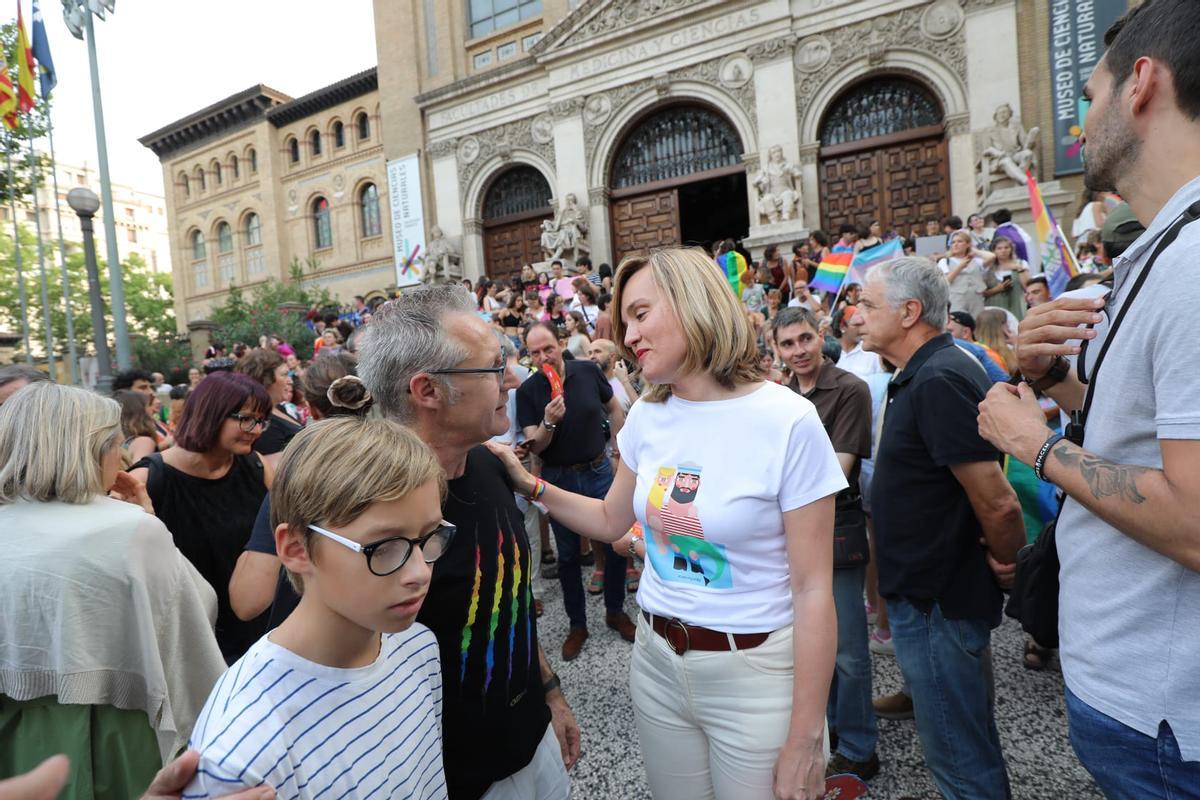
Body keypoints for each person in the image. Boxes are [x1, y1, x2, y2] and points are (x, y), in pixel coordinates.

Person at [488, 247, 844, 799]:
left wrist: (805, 737)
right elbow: (609, 519)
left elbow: (815, 588)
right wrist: (526, 482)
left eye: (641, 313)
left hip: (756, 674)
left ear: (694, 304)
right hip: (656, 662)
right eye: (624, 319)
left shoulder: (788, 420)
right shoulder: (649, 417)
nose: (629, 334)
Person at [977, 3, 1200, 794]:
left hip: (1167, 725)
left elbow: (1195, 521)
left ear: (1142, 84)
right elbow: (1142, 432)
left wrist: (1033, 444)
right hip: (1140, 702)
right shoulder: (1162, 249)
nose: (1081, 118)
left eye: (1090, 93)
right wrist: (1055, 384)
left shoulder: (1191, 265)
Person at [357, 286, 579, 800]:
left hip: (533, 743)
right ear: (427, 390)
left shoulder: (489, 465)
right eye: (493, 367)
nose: (512, 379)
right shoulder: (365, 513)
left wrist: (551, 695)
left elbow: (512, 603)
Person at [183, 417, 450, 799]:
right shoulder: (241, 754)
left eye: (429, 538)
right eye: (383, 547)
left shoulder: (417, 646)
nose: (420, 571)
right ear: (296, 549)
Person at [850, 256, 1024, 799]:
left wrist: (1007, 565)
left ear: (909, 312)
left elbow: (998, 503)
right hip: (929, 592)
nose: (856, 315)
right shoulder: (922, 372)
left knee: (957, 753)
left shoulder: (939, 378)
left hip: (938, 597)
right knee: (960, 733)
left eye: (868, 304)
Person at [0, 383, 226, 798]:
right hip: (116, 732)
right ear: (88, 449)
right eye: (116, 443)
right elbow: (194, 612)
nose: (121, 455)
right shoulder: (130, 529)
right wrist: (149, 520)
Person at [772, 306, 879, 781]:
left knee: (849, 650)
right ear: (776, 350)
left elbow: (837, 473)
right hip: (790, 536)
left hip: (835, 531)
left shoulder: (850, 389)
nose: (798, 351)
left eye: (804, 340)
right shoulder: (777, 396)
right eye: (787, 344)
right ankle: (833, 731)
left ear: (821, 338)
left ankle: (860, 747)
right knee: (810, 646)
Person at [129, 372, 273, 663]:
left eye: (260, 421)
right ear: (212, 413)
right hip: (191, 636)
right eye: (246, 418)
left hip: (257, 629)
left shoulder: (256, 467)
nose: (256, 429)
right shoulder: (149, 478)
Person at [228, 352, 372, 628]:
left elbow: (248, 601)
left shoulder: (299, 481)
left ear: (312, 409)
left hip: (319, 639)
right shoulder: (413, 464)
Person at [518, 321, 634, 659]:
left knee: (613, 546)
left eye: (548, 349)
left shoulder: (586, 371)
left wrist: (618, 450)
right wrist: (549, 422)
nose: (544, 358)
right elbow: (535, 445)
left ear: (561, 344)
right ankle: (577, 624)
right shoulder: (529, 392)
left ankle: (615, 611)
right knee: (568, 555)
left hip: (598, 470)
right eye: (535, 353)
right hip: (560, 480)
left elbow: (612, 407)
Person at [234, 348, 303, 456]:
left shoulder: (280, 408)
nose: (290, 381)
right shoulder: (262, 423)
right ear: (265, 380)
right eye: (284, 375)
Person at [939, 230, 990, 317]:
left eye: (960, 241)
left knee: (978, 323)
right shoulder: (945, 261)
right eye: (953, 242)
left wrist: (975, 251)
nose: (955, 244)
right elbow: (945, 281)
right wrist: (960, 266)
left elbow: (991, 257)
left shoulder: (975, 260)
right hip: (956, 299)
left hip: (976, 298)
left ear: (967, 244)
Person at [982, 235, 1030, 320]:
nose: (1003, 251)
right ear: (994, 251)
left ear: (1011, 249)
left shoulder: (1021, 263)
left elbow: (1027, 286)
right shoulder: (988, 267)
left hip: (1016, 305)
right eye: (999, 248)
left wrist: (1019, 269)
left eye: (1006, 247)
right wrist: (997, 289)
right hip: (993, 307)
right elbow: (982, 293)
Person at [832, 306, 884, 381]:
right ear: (842, 327)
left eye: (863, 324)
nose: (862, 329)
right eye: (857, 325)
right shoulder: (833, 356)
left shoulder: (873, 351)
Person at [588, 338, 639, 413]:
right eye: (590, 353)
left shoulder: (628, 381)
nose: (592, 356)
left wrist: (625, 382)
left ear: (612, 356)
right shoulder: (589, 387)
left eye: (597, 351)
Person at [117, 390, 160, 467]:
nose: (153, 409)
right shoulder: (143, 442)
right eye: (149, 405)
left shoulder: (118, 440)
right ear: (140, 411)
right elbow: (137, 475)